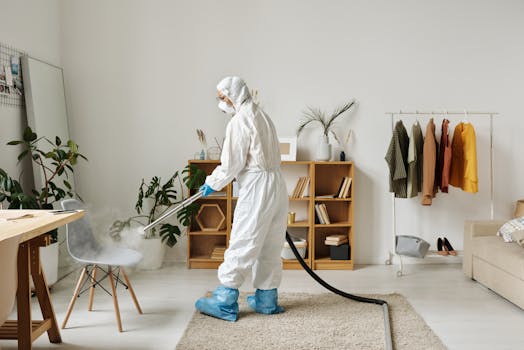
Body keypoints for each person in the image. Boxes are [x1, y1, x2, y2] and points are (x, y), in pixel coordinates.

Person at [195, 76, 288, 322]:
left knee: (243, 240)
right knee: (270, 242)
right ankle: (267, 300)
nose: (221, 103)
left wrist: (211, 183)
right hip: (278, 184)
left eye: (223, 98)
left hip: (258, 187)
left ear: (233, 96)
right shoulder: (262, 116)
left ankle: (225, 301)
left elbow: (231, 165)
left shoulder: (239, 122)